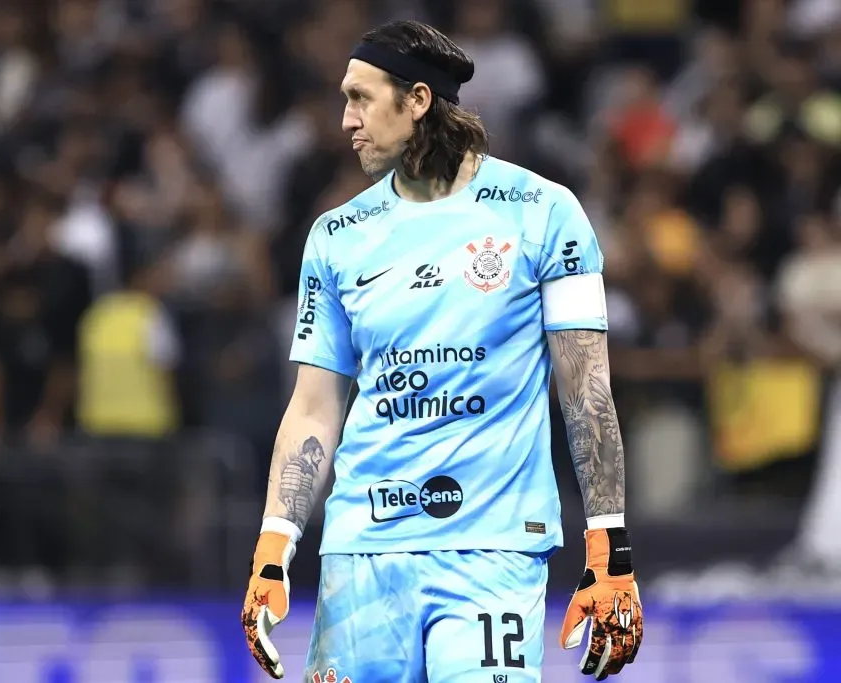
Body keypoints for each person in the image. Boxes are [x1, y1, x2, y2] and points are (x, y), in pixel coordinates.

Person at [240, 19, 643, 683]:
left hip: (493, 548)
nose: (346, 120)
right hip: (363, 552)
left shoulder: (543, 213)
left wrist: (610, 542)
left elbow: (586, 389)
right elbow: (313, 409)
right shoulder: (337, 237)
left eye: (361, 97)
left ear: (418, 100)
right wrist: (273, 546)